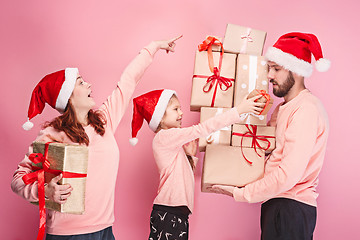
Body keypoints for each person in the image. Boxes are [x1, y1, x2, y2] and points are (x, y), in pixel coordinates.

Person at [11, 35, 182, 240]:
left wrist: (153, 47)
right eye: (81, 83)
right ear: (68, 97)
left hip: (105, 230)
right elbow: (18, 179)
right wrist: (46, 192)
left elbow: (127, 82)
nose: (89, 85)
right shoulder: (52, 134)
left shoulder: (104, 120)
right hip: (68, 234)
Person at [212, 32, 330, 240]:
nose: (269, 75)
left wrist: (241, 193)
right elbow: (263, 149)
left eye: (276, 68)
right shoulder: (283, 109)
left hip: (290, 207)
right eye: (269, 68)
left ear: (298, 70)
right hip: (279, 205)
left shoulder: (306, 109)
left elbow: (288, 175)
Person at [129, 89, 265, 240]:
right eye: (175, 109)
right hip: (168, 213)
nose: (181, 113)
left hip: (177, 214)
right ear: (160, 117)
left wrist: (190, 157)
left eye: (180, 109)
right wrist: (238, 111)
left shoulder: (170, 142)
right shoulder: (164, 137)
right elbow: (201, 129)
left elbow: (180, 176)